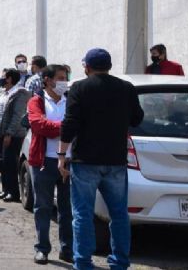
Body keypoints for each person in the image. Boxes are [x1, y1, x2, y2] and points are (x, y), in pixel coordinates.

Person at [59, 49, 143, 270]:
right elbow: (138, 118)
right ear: (109, 66)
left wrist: (61, 155)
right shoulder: (126, 88)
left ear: (87, 67)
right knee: (119, 214)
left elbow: (70, 123)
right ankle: (120, 262)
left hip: (85, 161)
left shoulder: (79, 88)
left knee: (82, 215)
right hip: (115, 160)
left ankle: (83, 263)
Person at [27, 65, 73, 265]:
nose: (63, 81)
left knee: (68, 209)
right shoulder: (36, 101)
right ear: (47, 79)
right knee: (43, 207)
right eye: (60, 78)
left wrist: (59, 128)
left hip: (70, 161)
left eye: (66, 78)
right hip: (44, 161)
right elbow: (39, 125)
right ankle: (42, 248)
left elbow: (81, 124)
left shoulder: (71, 101)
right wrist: (67, 128)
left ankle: (68, 249)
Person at [0, 68, 31, 203]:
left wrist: (9, 134)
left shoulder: (20, 93)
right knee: (3, 164)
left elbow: (17, 116)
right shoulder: (4, 93)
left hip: (13, 135)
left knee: (10, 164)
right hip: (0, 134)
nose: (2, 78)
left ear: (9, 79)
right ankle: (5, 189)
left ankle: (13, 192)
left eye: (4, 76)